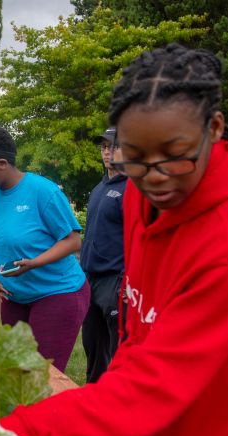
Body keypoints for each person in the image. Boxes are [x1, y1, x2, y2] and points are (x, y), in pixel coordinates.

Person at [0, 44, 228, 436]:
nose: (154, 177)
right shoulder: (141, 193)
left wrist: (26, 433)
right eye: (133, 156)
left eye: (175, 154)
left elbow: (155, 385)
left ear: (214, 129)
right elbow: (142, 327)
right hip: (178, 429)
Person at [0, 126, 90, 372]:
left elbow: (73, 240)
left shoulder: (42, 191)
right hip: (14, 297)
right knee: (13, 372)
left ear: (2, 163)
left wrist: (35, 262)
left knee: (41, 378)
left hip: (57, 293)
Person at [80, 127, 127, 383]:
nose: (107, 152)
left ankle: (121, 400)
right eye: (104, 147)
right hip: (91, 278)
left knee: (116, 347)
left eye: (114, 146)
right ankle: (93, 393)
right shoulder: (99, 188)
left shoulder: (132, 189)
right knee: (92, 344)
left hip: (115, 279)